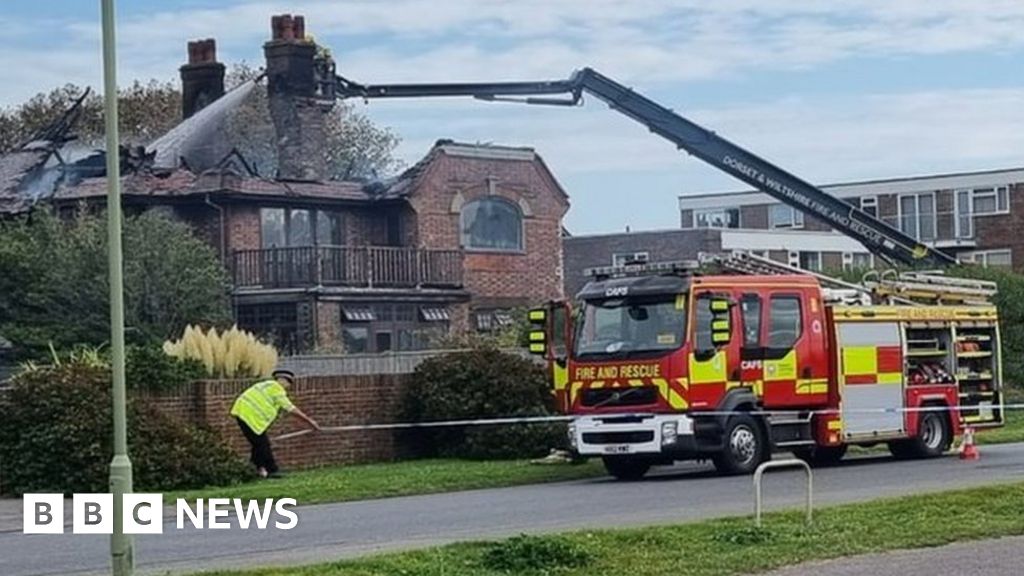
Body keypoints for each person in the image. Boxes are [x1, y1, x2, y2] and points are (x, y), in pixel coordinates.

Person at [230, 369, 320, 478]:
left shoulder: (264, 385)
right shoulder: (277, 389)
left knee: (258, 444)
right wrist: (310, 421)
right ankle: (272, 470)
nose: (288, 386)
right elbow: (290, 409)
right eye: (289, 383)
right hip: (250, 417)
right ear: (284, 381)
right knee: (263, 444)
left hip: (241, 412)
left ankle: (254, 470)